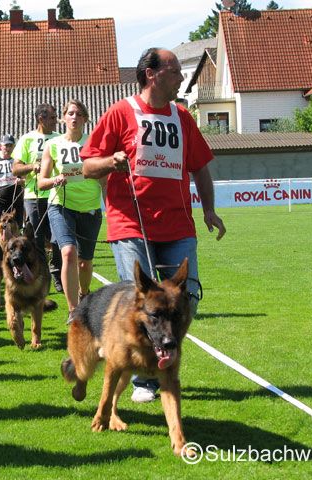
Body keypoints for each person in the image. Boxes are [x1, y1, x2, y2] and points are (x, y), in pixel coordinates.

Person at [81, 48, 226, 403]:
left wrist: (209, 210)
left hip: (177, 224)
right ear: (151, 74)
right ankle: (143, 380)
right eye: (175, 71)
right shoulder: (120, 112)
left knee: (188, 298)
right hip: (131, 222)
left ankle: (164, 359)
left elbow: (200, 168)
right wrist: (111, 161)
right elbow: (87, 166)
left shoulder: (182, 117)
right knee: (140, 302)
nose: (181, 78)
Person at [37, 100, 103, 320]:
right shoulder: (53, 145)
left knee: (85, 262)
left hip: (90, 207)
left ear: (85, 119)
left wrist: (110, 209)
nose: (74, 117)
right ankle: (73, 310)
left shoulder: (95, 143)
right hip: (61, 205)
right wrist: (55, 180)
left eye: (79, 114)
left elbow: (104, 180)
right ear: (63, 118)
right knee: (68, 253)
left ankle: (84, 294)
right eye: (71, 113)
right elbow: (41, 182)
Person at [12, 104, 64, 292]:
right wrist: (31, 166)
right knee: (36, 239)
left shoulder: (60, 138)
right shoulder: (26, 139)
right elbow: (16, 169)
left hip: (56, 195)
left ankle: (56, 270)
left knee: (58, 238)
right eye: (52, 118)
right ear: (41, 119)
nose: (56, 121)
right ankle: (43, 276)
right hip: (33, 196)